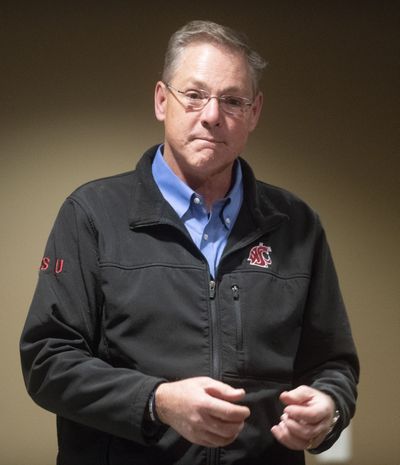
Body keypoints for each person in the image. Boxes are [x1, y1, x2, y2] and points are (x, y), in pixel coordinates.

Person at [20, 20, 359, 465]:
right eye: (195, 95)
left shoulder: (297, 224)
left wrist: (330, 407)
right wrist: (157, 401)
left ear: (254, 113)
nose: (213, 114)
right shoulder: (92, 214)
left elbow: (333, 364)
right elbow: (48, 362)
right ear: (163, 100)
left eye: (232, 100)